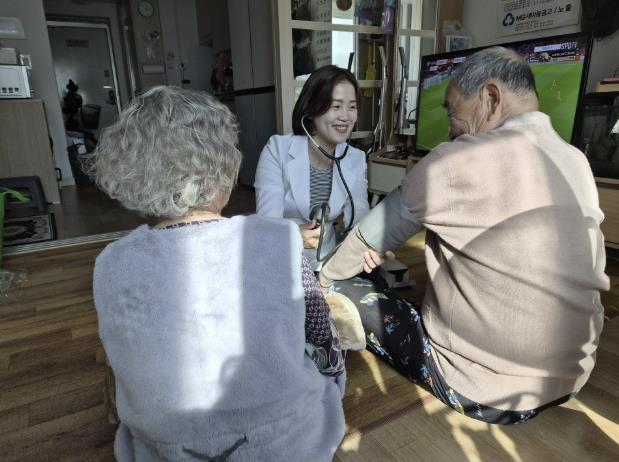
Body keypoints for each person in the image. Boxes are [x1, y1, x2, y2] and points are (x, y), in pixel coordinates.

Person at [319, 47, 610, 424]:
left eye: (451, 110)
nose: (449, 127)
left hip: (488, 393)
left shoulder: (453, 159)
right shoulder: (576, 160)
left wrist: (322, 278)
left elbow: (365, 239)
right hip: (574, 376)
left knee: (341, 285)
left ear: (490, 98)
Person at [89, 86, 346, 461]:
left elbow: (126, 357)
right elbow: (323, 341)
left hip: (169, 449)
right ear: (225, 167)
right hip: (286, 441)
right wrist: (334, 375)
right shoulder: (278, 239)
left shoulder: (112, 263)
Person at [255, 65, 370, 271]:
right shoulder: (277, 149)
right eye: (336, 106)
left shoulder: (356, 158)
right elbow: (267, 225)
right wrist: (293, 237)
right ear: (311, 108)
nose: (345, 116)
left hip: (328, 264)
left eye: (352, 107)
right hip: (281, 260)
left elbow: (359, 219)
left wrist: (371, 245)